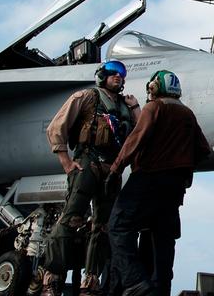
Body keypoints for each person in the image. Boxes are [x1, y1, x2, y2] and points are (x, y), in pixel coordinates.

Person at [108, 70, 211, 296]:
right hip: (174, 188)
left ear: (155, 87)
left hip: (148, 179)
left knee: (118, 226)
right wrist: (182, 164)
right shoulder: (187, 114)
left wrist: (115, 169)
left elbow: (135, 139)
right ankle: (160, 290)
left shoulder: (154, 107)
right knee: (163, 240)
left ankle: (134, 282)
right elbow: (204, 150)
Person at [43, 60, 141, 296]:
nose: (119, 77)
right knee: (70, 218)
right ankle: (52, 278)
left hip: (112, 169)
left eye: (122, 74)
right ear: (102, 76)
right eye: (114, 73)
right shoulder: (87, 97)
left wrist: (136, 107)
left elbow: (140, 132)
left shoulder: (125, 106)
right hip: (87, 163)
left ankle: (90, 281)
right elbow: (56, 128)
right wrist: (66, 162)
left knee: (103, 227)